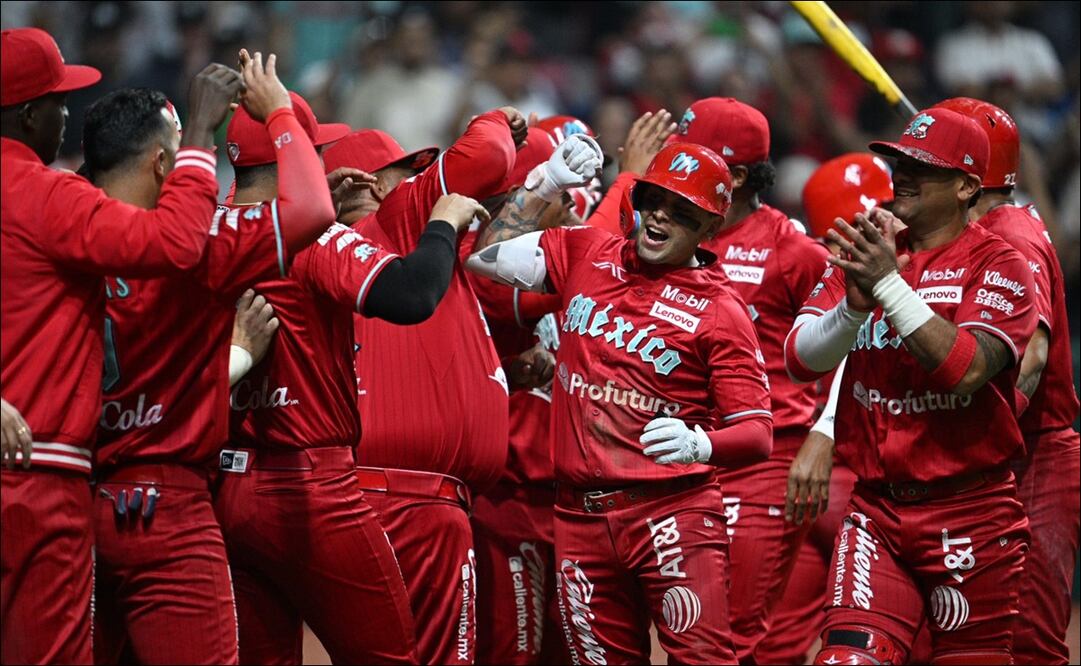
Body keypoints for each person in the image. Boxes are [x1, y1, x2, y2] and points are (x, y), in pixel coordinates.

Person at [216, 75, 490, 665]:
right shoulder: (309, 235)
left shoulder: (202, 230)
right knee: (391, 656)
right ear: (305, 157)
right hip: (311, 486)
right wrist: (441, 223)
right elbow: (413, 295)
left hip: (228, 487)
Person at [467, 142, 773, 664]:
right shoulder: (585, 251)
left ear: (709, 231)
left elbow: (757, 433)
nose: (660, 216)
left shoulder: (722, 310)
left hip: (671, 514)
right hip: (579, 516)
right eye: (654, 200)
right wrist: (544, 185)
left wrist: (701, 443)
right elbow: (482, 258)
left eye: (683, 212)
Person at [88, 50, 343, 665]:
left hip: (75, 500)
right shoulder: (201, 242)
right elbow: (312, 211)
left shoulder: (52, 225)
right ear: (164, 162)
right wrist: (279, 111)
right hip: (169, 509)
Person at [0, 26, 241, 665]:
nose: (66, 113)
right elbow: (174, 245)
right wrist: (196, 142)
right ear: (26, 116)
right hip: (36, 475)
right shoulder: (45, 193)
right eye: (56, 100)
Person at [784, 107, 1038, 664]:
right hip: (876, 510)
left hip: (972, 514)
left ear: (968, 185)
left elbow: (968, 369)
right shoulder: (871, 244)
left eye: (924, 166)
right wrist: (852, 309)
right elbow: (800, 357)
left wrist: (887, 286)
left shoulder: (1001, 262)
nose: (902, 175)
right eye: (899, 161)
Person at [331, 109, 524, 665]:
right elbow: (485, 156)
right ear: (373, 186)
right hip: (406, 502)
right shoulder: (397, 221)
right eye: (408, 171)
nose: (423, 179)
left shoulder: (418, 252)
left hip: (400, 499)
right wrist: (491, 120)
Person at [673, 96, 832, 660]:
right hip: (674, 458)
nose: (678, 171)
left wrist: (823, 436)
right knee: (684, 630)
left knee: (729, 636)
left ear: (737, 176)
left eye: (694, 160)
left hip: (760, 464)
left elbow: (853, 349)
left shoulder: (794, 250)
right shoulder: (667, 234)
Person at [932, 97, 1080, 666]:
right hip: (993, 455)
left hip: (1030, 453)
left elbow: (1033, 354)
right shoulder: (978, 229)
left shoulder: (1010, 235)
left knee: (1028, 641)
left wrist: (981, 436)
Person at [465, 127, 602, 666]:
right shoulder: (485, 262)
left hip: (566, 504)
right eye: (560, 198)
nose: (572, 211)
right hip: (509, 500)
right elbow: (493, 273)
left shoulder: (560, 254)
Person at [755, 153, 894, 664]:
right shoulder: (903, 265)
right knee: (895, 639)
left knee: (774, 646)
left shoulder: (803, 260)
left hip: (786, 474)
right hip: (863, 482)